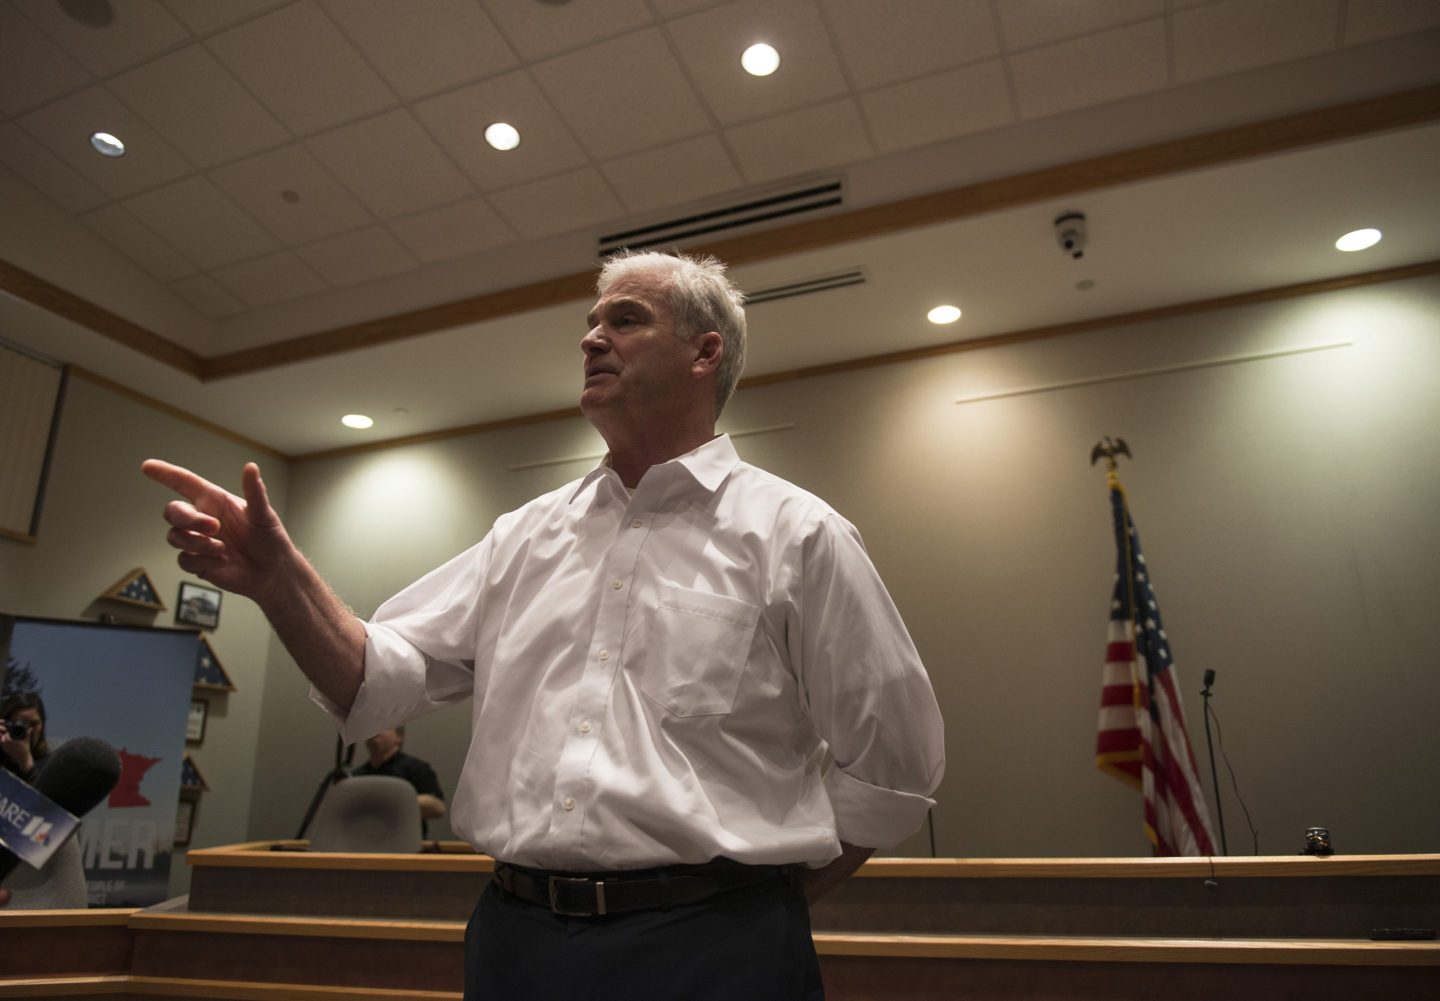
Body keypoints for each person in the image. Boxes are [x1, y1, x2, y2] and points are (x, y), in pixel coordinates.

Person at [142, 250, 945, 1000]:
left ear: (705, 354)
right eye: (593, 323)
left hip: (716, 949)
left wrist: (756, 899)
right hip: (514, 941)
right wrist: (282, 585)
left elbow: (895, 768)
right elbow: (377, 678)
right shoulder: (523, 535)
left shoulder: (797, 534)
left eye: (626, 319)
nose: (593, 337)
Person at [351, 725, 446, 837]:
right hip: (363, 844)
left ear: (399, 737)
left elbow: (438, 807)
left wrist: (384, 803)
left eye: (383, 726)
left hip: (406, 846)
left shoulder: (416, 768)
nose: (375, 732)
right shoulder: (355, 776)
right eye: (371, 728)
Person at [1, 692, 51, 783]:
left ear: (42, 726)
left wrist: (26, 763)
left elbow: (39, 795)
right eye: (19, 724)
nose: (28, 731)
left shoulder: (49, 766)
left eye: (33, 724)